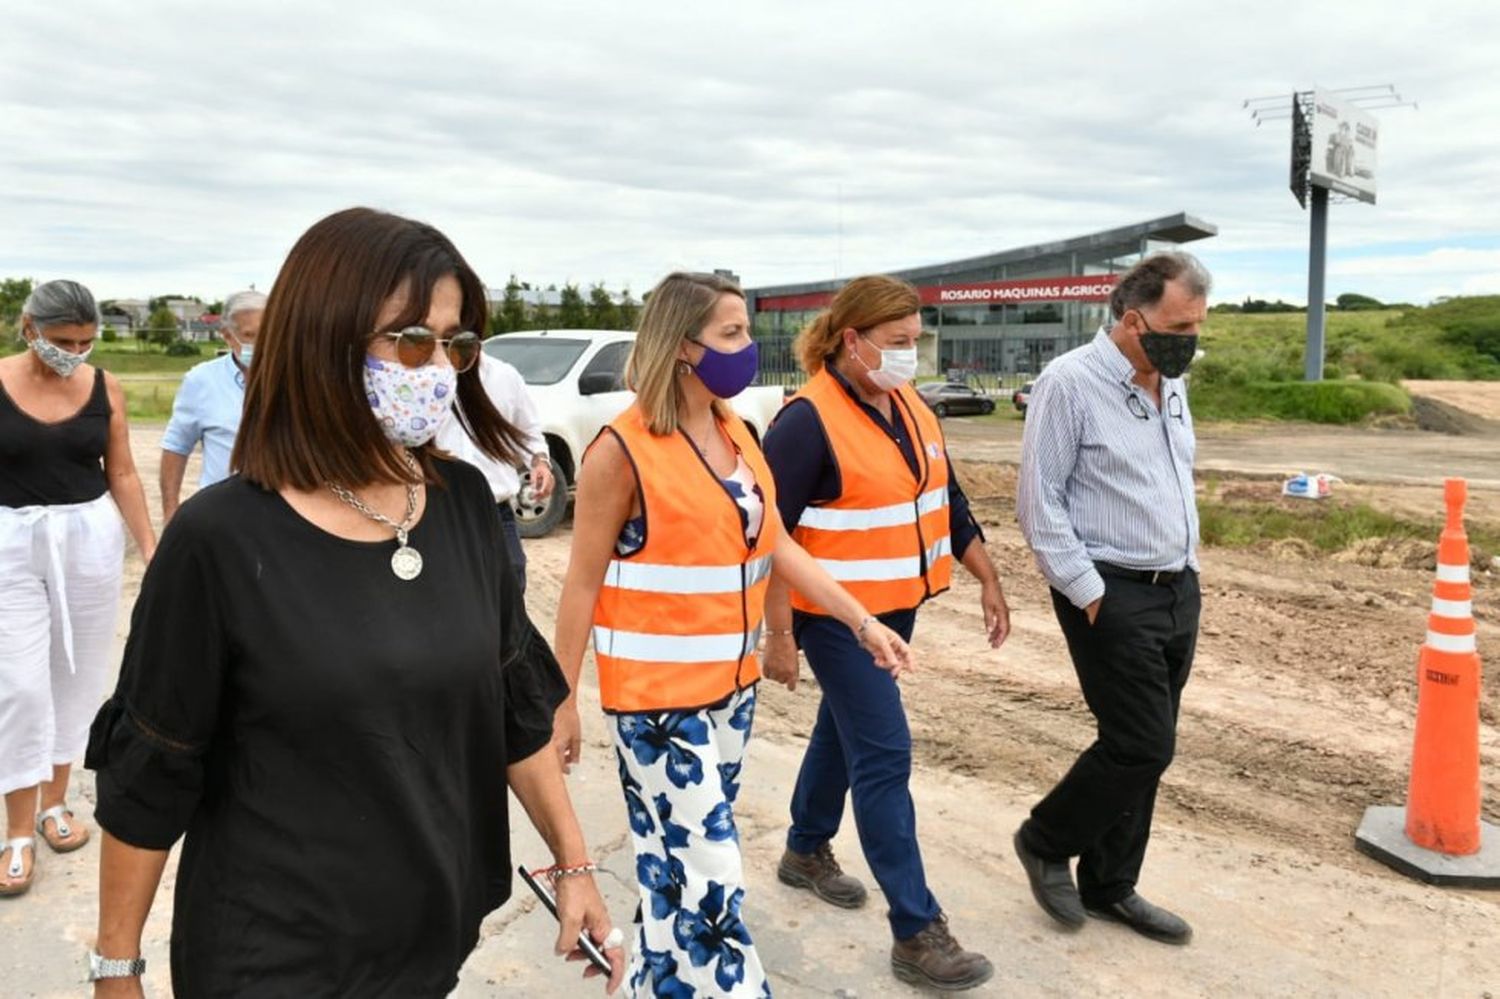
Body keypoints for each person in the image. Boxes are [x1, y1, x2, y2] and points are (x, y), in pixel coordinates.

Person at [83, 208, 626, 996]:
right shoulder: (220, 539)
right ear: (323, 341)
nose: (438, 367)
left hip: (430, 940)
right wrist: (115, 969)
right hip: (274, 956)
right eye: (411, 340)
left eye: (455, 342)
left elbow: (516, 708)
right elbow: (153, 772)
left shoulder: (466, 504)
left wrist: (575, 864)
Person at [551, 271, 912, 998]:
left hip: (729, 693)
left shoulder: (738, 434)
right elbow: (580, 584)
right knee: (713, 879)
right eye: (732, 333)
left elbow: (780, 544)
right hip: (656, 705)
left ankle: (653, 984)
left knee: (671, 865)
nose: (749, 347)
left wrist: (860, 619)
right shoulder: (620, 451)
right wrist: (561, 701)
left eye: (745, 331)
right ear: (682, 346)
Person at [759, 274, 1010, 992]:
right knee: (884, 751)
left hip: (895, 609)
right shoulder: (806, 421)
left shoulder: (909, 407)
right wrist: (780, 631)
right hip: (832, 617)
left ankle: (805, 848)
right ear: (852, 339)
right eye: (897, 343)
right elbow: (770, 534)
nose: (910, 354)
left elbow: (946, 497)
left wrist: (987, 574)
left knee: (842, 731)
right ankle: (915, 929)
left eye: (915, 340)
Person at [1013, 251, 1209, 946]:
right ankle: (1044, 838)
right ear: (1133, 319)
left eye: (1197, 325)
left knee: (1153, 746)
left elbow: (1169, 478)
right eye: (1180, 325)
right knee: (1140, 742)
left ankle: (1110, 883)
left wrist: (1189, 570)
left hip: (1176, 587)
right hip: (1111, 589)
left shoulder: (1172, 381)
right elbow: (1039, 502)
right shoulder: (1068, 383)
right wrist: (1093, 595)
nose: (1191, 338)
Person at [0, 279, 156, 899]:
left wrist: (151, 546)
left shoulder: (104, 387)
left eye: (87, 341)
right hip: (11, 542)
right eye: (64, 340)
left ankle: (54, 801)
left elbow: (119, 470)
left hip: (87, 541)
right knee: (19, 684)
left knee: (78, 676)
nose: (76, 352)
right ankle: (15, 829)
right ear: (29, 327)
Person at [436, 351, 554, 590]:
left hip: (496, 511)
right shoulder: (424, 375)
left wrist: (540, 462)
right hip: (439, 511)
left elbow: (529, 432)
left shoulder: (504, 377)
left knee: (511, 580)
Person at [159, 289, 267, 522]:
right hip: (223, 516)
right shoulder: (202, 381)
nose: (263, 343)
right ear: (227, 335)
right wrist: (170, 510)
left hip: (284, 517)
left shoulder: (298, 379)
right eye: (251, 335)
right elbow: (176, 446)